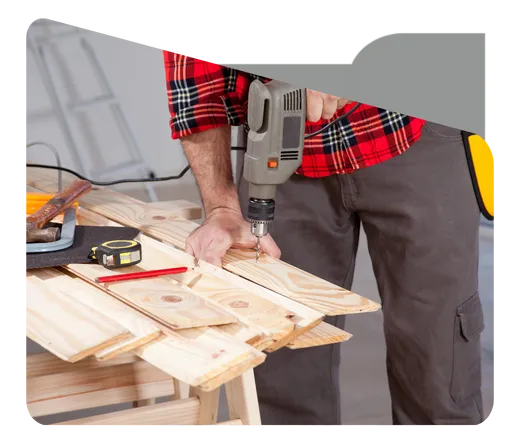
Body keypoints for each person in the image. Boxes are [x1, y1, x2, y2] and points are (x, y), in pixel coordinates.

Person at [162, 48, 486, 426]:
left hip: (408, 130)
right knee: (281, 354)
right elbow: (196, 88)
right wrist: (221, 208)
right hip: (284, 150)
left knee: (438, 357)